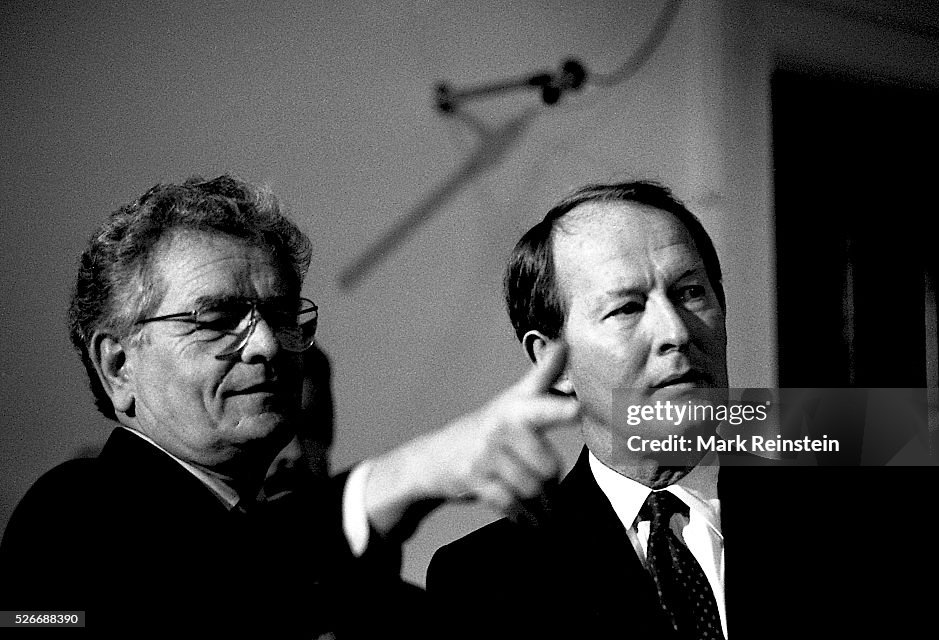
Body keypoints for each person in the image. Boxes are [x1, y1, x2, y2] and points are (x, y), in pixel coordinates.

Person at [426, 181, 939, 637]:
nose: (677, 332)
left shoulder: (868, 494)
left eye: (690, 293)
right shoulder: (485, 581)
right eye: (627, 308)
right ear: (550, 363)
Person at [0, 175, 578, 637]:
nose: (269, 345)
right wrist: (404, 476)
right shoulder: (68, 521)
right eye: (216, 319)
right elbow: (184, 608)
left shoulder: (357, 588)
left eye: (280, 314)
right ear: (119, 366)